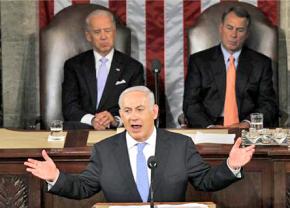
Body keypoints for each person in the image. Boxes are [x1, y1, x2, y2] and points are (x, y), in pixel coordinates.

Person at [25, 86, 255, 202]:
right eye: (126, 111)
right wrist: (55, 177)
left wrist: (231, 166)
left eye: (139, 110)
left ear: (154, 112)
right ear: (121, 117)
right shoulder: (105, 150)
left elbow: (205, 181)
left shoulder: (180, 145)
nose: (133, 117)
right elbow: (83, 188)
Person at [183, 6, 278, 128]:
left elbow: (268, 104)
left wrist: (247, 123)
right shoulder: (199, 61)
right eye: (229, 28)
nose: (234, 35)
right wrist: (209, 127)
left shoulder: (261, 63)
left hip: (246, 128)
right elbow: (190, 104)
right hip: (209, 127)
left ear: (247, 34)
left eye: (240, 30)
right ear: (221, 28)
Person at [62, 9, 144, 130]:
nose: (103, 36)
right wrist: (92, 120)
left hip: (116, 132)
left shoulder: (132, 68)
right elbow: (69, 106)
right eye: (97, 32)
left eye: (107, 30)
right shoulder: (74, 66)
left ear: (114, 33)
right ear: (88, 36)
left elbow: (137, 107)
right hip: (82, 130)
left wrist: (115, 120)